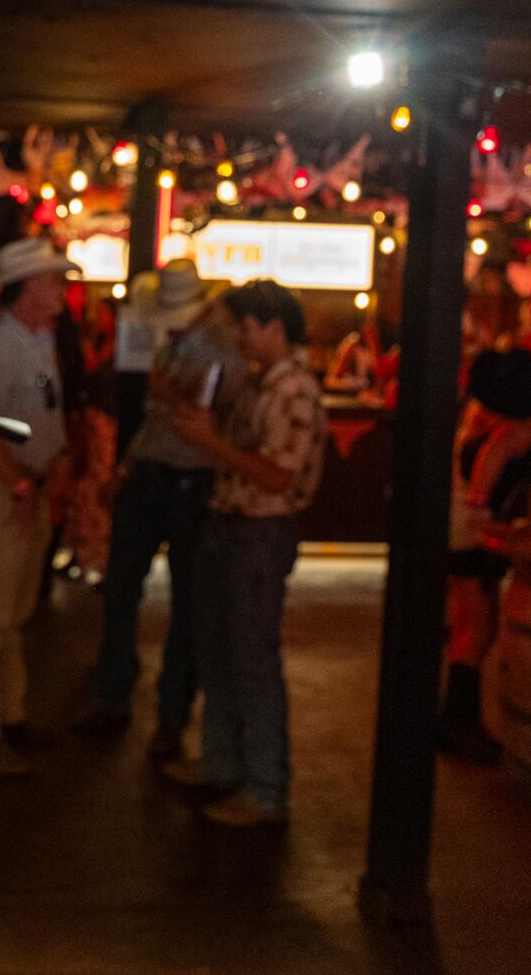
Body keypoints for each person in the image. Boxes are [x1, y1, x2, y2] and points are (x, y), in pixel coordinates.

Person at [157, 279, 326, 826]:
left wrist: (212, 443)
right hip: (232, 526)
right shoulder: (262, 382)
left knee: (251, 659)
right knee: (220, 649)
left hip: (259, 532)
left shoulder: (293, 390)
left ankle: (265, 787)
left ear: (274, 327)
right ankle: (224, 762)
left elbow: (278, 476)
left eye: (245, 327)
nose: (238, 338)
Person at [75, 263, 246, 762]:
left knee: (184, 604)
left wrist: (169, 395)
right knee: (122, 590)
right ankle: (118, 697)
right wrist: (126, 465)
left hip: (191, 480)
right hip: (154, 472)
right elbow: (159, 418)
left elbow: (214, 421)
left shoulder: (225, 352)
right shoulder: (178, 343)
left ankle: (168, 715)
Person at [0, 236, 77, 776]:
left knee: (16, 608)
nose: (62, 290)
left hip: (30, 488)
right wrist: (22, 486)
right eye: (54, 280)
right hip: (7, 491)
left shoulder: (38, 340)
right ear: (29, 286)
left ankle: (9, 715)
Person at [441, 348, 531, 764]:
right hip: (469, 534)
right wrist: (493, 523)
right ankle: (456, 726)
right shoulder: (513, 433)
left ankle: (457, 722)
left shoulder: (489, 421)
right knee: (479, 629)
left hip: (457, 528)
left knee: (469, 627)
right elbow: (482, 488)